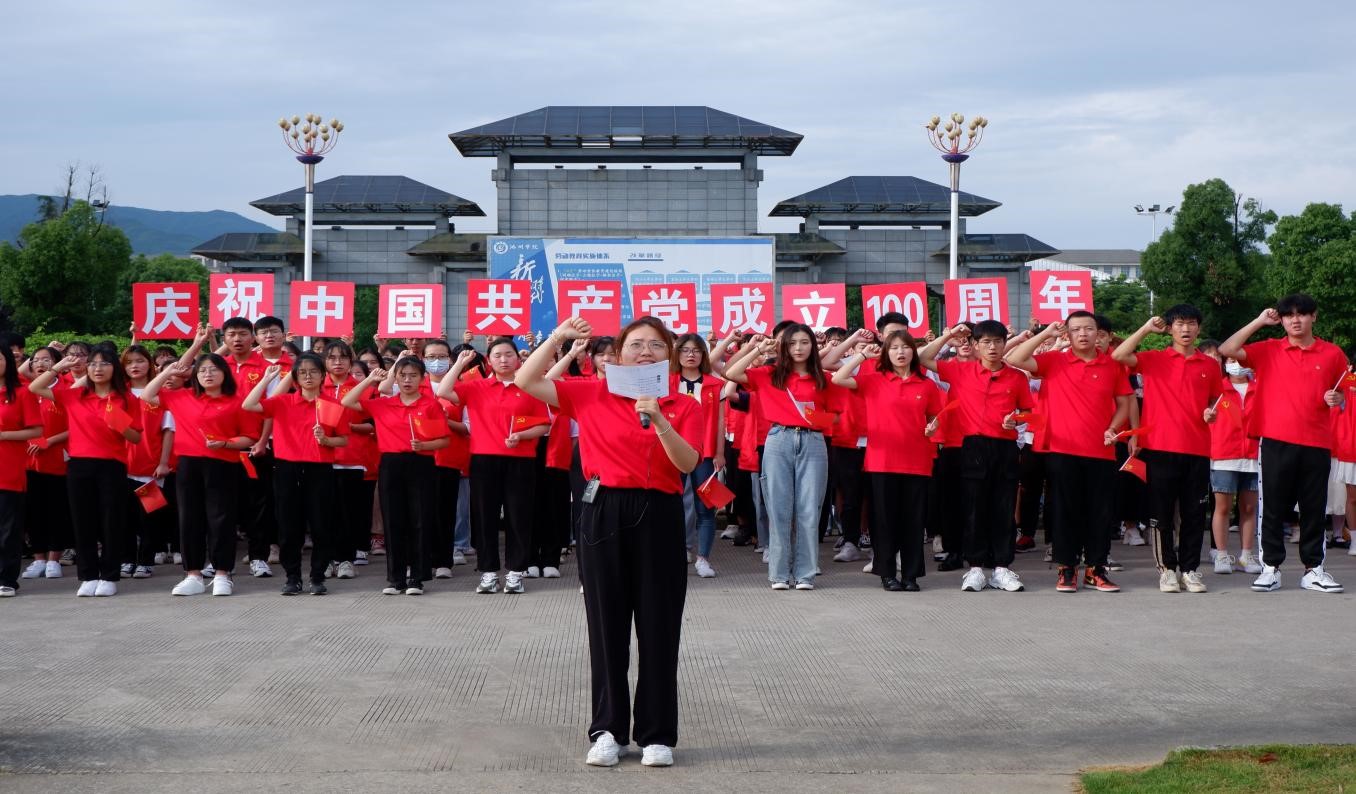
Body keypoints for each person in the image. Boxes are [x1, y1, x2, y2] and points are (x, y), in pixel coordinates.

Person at [516, 315, 701, 768]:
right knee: (606, 627)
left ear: (669, 355)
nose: (645, 352)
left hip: (659, 512)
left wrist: (659, 417)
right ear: (617, 354)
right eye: (635, 344)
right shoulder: (590, 393)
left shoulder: (683, 402)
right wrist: (558, 338)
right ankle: (608, 731)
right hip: (603, 511)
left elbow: (687, 463)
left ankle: (657, 734)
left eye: (655, 345)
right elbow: (526, 380)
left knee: (659, 626)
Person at [1219, 295, 1347, 593]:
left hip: (1316, 441)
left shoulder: (1332, 354)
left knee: (1314, 507)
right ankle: (1271, 568)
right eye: (1289, 315)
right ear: (1282, 320)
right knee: (1273, 507)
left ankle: (1313, 570)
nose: (1295, 320)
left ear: (1314, 316)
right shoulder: (1269, 349)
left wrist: (1336, 398)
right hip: (1275, 439)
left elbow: (1340, 393)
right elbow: (1227, 349)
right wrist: (1260, 321)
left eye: (1302, 314)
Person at [1008, 313, 1132, 593]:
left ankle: (1096, 570)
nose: (1083, 334)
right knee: (1065, 511)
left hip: (1101, 450)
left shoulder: (1112, 365)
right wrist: (1046, 334)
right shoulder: (1054, 361)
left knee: (1099, 512)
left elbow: (1124, 404)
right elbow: (1015, 358)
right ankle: (1067, 569)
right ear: (1068, 334)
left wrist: (1113, 428)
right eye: (1076, 329)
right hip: (1062, 450)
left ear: (1098, 333)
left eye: (1088, 329)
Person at [1112, 307, 1223, 594]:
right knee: (1160, 513)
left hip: (1197, 448)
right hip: (1160, 447)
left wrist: (1211, 414)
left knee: (1194, 514)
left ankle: (1190, 569)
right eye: (1180, 324)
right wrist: (1146, 328)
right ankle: (1167, 570)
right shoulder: (1154, 359)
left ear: (1199, 328)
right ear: (1170, 328)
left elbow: (1214, 401)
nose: (1186, 329)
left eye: (1191, 324)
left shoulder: (1209, 365)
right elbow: (1119, 355)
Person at [142, 327, 257, 597]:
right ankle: (192, 574)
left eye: (213, 370)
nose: (207, 374)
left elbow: (249, 436)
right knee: (189, 519)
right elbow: (147, 395)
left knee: (221, 519)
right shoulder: (182, 397)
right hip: (189, 465)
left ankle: (222, 574)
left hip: (223, 464)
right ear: (195, 375)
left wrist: (226, 443)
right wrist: (169, 372)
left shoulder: (237, 401)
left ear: (224, 373)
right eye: (202, 370)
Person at [724, 323, 839, 591]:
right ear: (782, 347)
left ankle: (805, 574)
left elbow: (835, 414)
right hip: (778, 439)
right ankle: (779, 573)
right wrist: (757, 350)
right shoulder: (769, 374)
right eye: (792, 343)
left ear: (813, 346)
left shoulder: (822, 378)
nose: (798, 348)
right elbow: (731, 372)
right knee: (778, 508)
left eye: (804, 342)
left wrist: (815, 419)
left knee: (809, 508)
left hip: (813, 441)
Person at [921, 320, 1032, 592]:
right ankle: (975, 568)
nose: (992, 347)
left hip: (1005, 447)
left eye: (998, 341)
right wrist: (949, 335)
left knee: (1003, 508)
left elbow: (1027, 411)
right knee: (973, 508)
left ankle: (1002, 568)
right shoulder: (960, 370)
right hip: (972, 447)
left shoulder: (1016, 377)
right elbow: (923, 357)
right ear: (975, 345)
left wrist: (1016, 420)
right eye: (986, 342)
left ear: (1005, 344)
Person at [832, 330, 943, 591]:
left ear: (913, 351)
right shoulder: (874, 380)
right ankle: (887, 573)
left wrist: (932, 428)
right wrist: (861, 355)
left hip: (917, 461)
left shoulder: (926, 385)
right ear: (885, 352)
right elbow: (838, 378)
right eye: (894, 348)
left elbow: (935, 417)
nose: (900, 352)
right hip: (882, 461)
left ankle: (911, 575)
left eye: (905, 347)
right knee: (884, 520)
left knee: (913, 521)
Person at [438, 337, 549, 595]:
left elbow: (544, 425)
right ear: (489, 360)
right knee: (485, 517)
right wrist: (459, 364)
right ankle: (488, 572)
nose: (503, 359)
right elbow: (443, 391)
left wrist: (521, 435)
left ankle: (515, 572)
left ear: (518, 359)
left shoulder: (529, 387)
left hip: (520, 460)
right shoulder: (477, 387)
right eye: (497, 355)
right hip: (484, 459)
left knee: (518, 516)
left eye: (509, 354)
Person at [30, 346, 144, 597]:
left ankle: (109, 576)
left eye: (104, 364)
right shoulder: (75, 395)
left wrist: (120, 423)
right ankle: (88, 575)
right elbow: (35, 387)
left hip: (111, 466)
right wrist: (57, 368)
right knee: (83, 522)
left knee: (111, 521)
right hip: (79, 465)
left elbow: (136, 437)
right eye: (92, 364)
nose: (97, 368)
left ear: (114, 368)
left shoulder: (126, 399)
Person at [342, 357, 450, 596]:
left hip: (421, 463)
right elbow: (347, 401)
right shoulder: (383, 404)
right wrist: (371, 379)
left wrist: (425, 445)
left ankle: (417, 577)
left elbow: (444, 440)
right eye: (402, 375)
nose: (407, 380)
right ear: (396, 378)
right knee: (393, 520)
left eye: (413, 375)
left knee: (420, 520)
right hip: (391, 464)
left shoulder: (430, 405)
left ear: (422, 379)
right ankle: (396, 578)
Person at [243, 355, 347, 596]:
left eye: (313, 371)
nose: (308, 376)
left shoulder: (331, 404)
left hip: (319, 468)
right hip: (287, 468)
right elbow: (249, 405)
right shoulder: (283, 401)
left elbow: (343, 439)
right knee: (289, 525)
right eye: (302, 373)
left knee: (321, 524)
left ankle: (317, 576)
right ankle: (292, 576)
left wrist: (326, 440)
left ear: (323, 375)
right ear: (295, 378)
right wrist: (266, 379)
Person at [670, 333, 725, 578]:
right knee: (672, 504)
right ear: (677, 354)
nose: (690, 355)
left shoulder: (715, 384)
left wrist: (720, 452)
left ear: (703, 354)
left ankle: (703, 558)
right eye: (685, 350)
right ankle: (678, 551)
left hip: (706, 454)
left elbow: (721, 421)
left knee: (706, 507)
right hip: (673, 452)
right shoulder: (668, 382)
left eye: (696, 350)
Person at [121, 344, 176, 579]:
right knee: (124, 517)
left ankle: (145, 561)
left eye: (140, 361)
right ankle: (126, 559)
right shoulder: (118, 393)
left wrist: (163, 462)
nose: (135, 366)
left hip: (150, 467)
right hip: (120, 466)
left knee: (149, 517)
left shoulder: (161, 393)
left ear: (150, 364)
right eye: (129, 362)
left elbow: (168, 431)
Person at [20, 347, 73, 580]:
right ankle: (39, 558)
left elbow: (76, 426)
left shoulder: (65, 391)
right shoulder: (25, 391)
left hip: (57, 459)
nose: (40, 364)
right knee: (33, 511)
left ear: (57, 364)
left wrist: (48, 441)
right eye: (36, 360)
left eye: (46, 360)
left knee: (56, 511)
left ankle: (53, 559)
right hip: (27, 460)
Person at [1207, 352, 1263, 574]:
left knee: (1249, 508)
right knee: (1222, 507)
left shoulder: (1260, 388)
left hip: (1253, 454)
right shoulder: (1217, 389)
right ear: (1225, 363)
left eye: (1240, 360)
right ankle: (1221, 555)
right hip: (1224, 454)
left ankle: (1246, 555)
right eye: (1231, 360)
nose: (1236, 364)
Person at [0, 346, 46, 597]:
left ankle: (7, 578)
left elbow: (36, 430)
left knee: (8, 529)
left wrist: (4, 435)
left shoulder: (21, 393)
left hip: (8, 470)